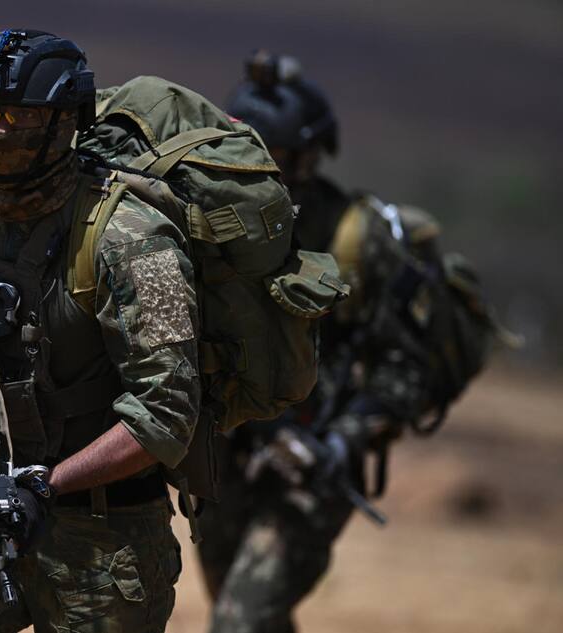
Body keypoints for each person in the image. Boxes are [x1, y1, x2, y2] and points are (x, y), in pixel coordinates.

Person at [0, 30, 199, 633]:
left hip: (107, 541)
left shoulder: (132, 240)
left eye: (20, 115)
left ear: (64, 121)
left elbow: (164, 417)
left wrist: (46, 489)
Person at [197, 50, 502, 633]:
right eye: (241, 155)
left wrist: (339, 442)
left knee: (240, 620)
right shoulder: (211, 229)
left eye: (275, 158)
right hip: (228, 459)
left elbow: (406, 369)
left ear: (310, 157)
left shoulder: (358, 241)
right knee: (239, 611)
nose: (258, 171)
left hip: (315, 463)